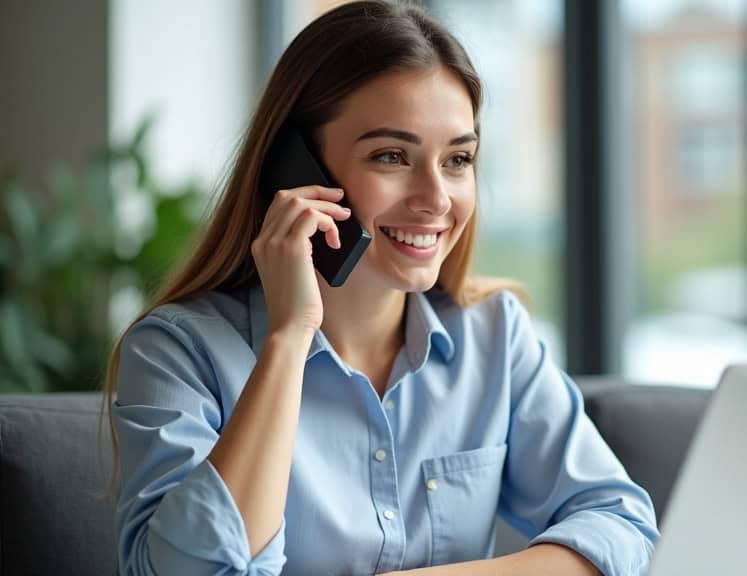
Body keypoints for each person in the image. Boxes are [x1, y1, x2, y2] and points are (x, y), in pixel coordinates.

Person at [103, 2, 658, 575]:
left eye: (458, 159)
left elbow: (621, 526)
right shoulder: (179, 352)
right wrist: (290, 339)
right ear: (294, 171)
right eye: (392, 156)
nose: (437, 198)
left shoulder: (493, 335)